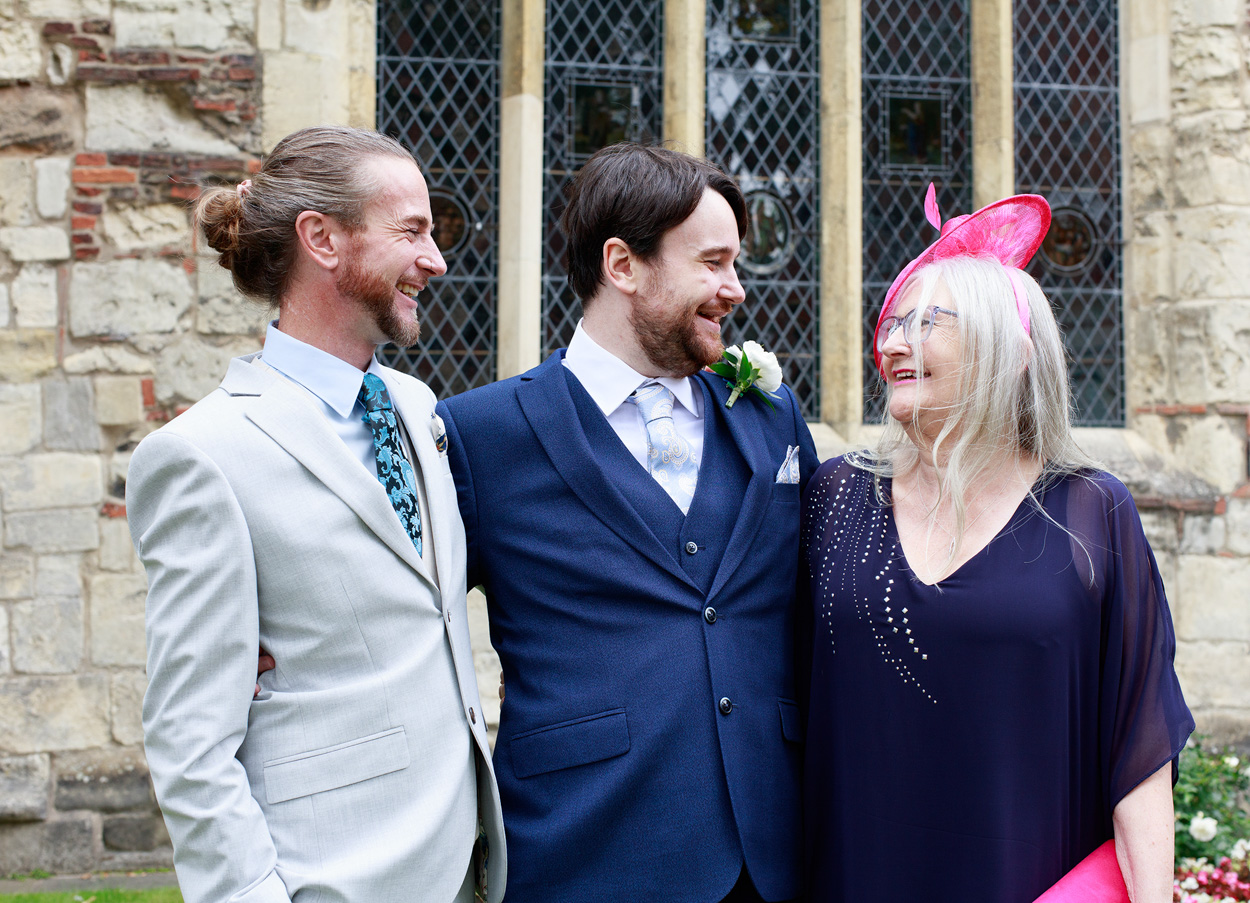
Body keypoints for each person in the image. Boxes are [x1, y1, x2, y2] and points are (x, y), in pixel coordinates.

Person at [126, 126, 505, 903]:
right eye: (412, 232)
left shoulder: (416, 407)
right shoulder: (203, 456)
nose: (435, 260)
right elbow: (190, 741)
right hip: (329, 881)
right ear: (322, 239)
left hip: (469, 871)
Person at [437, 143, 819, 903]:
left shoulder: (771, 416)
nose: (736, 289)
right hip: (583, 852)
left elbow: (821, 601)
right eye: (713, 262)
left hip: (774, 858)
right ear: (623, 265)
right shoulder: (480, 435)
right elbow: (410, 620)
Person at [800, 185, 1193, 902]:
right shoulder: (832, 499)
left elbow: (1140, 752)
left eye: (930, 322)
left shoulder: (1093, 513)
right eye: (894, 321)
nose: (894, 342)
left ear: (1008, 353)